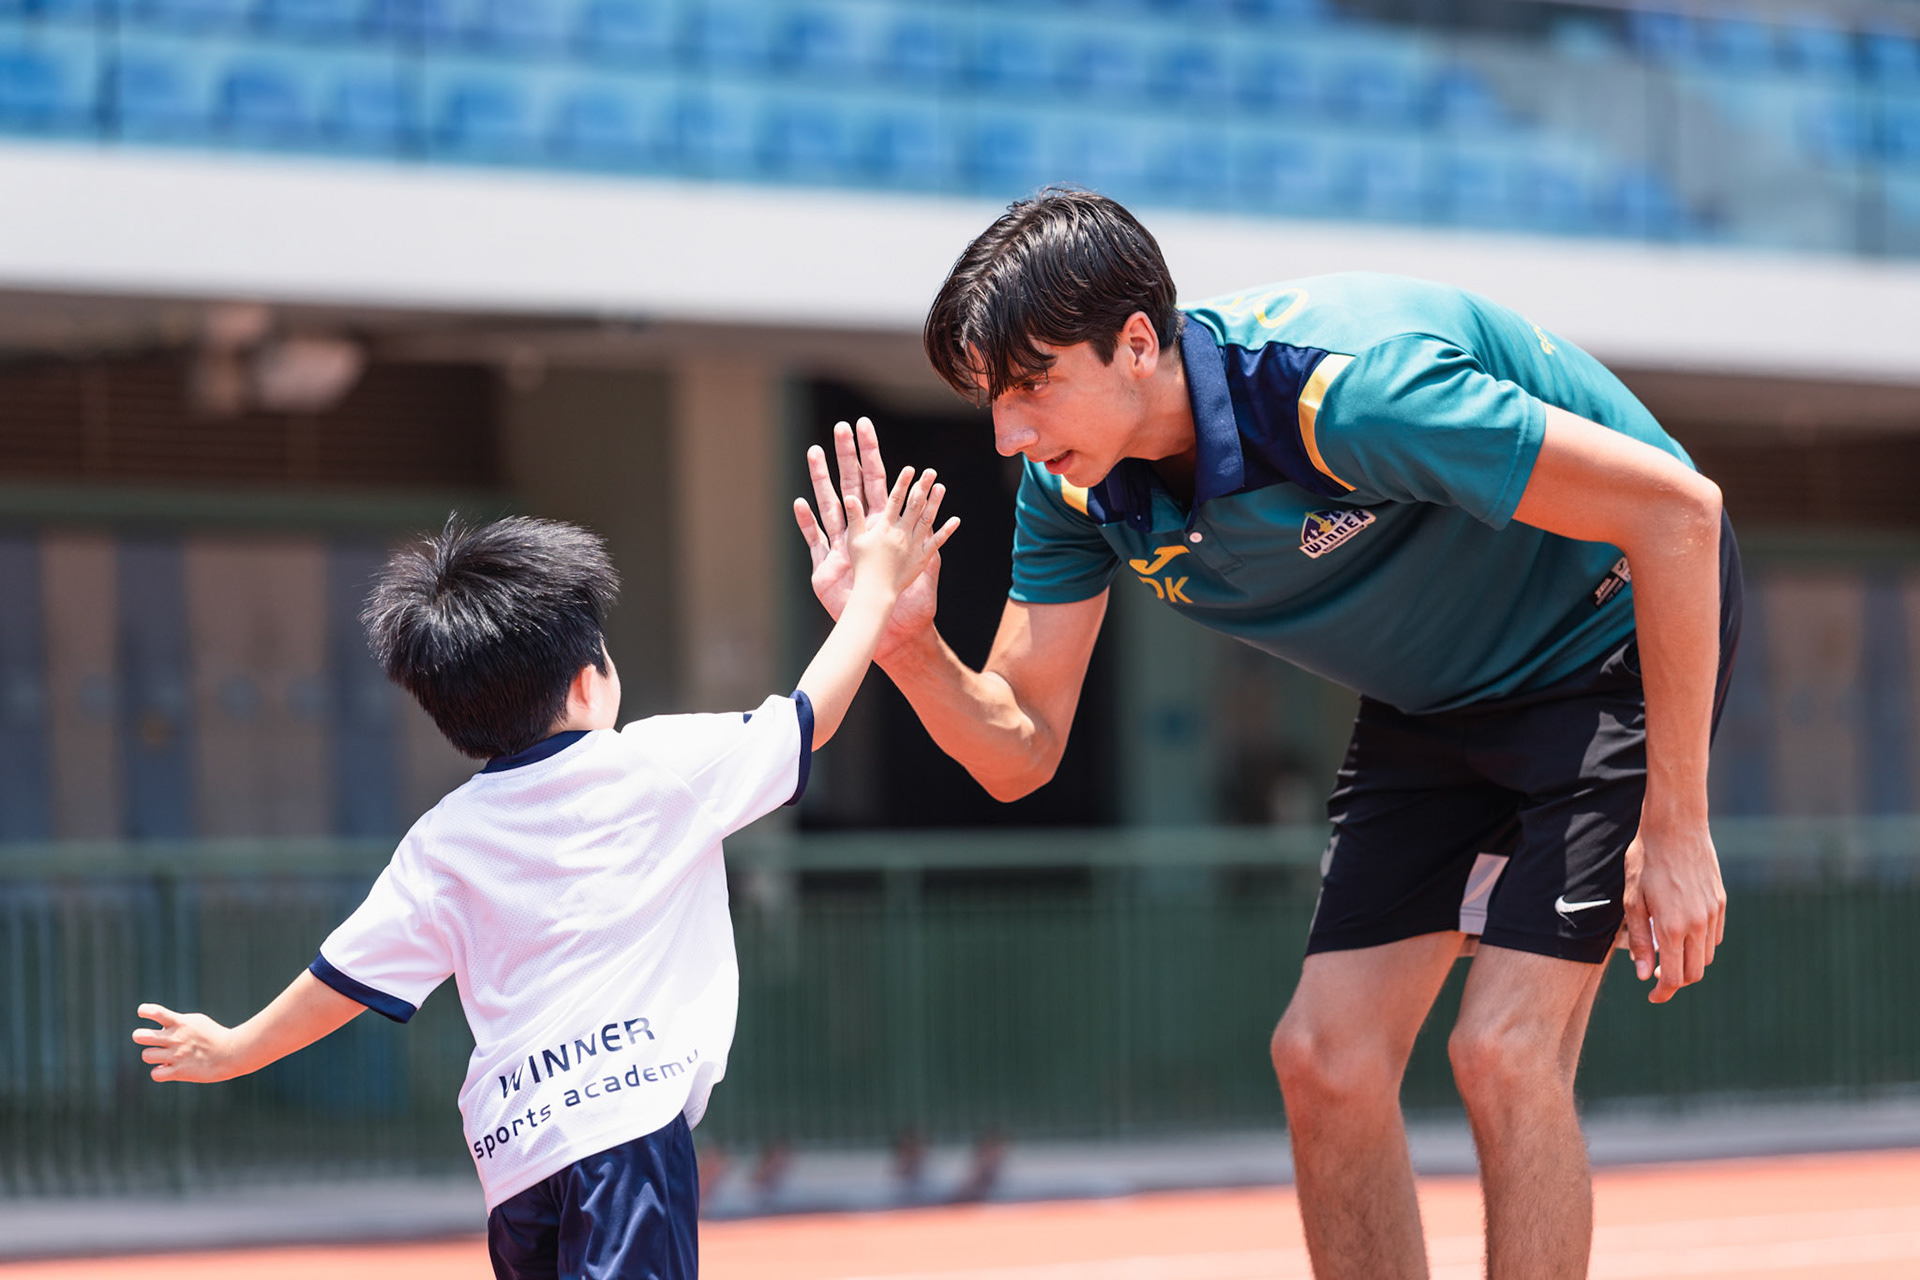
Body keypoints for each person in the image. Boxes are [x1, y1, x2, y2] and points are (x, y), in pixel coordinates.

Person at [793, 189, 1740, 1280]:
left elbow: (1682, 513)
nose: (1009, 433)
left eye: (1031, 385)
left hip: (1601, 645)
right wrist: (908, 647)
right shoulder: (1070, 487)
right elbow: (1023, 744)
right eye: (991, 400)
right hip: (1430, 701)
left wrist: (1676, 823)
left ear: (1137, 344)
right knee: (1324, 1059)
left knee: (1503, 1051)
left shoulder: (1348, 392)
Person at [132, 482, 957, 1280]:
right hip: (625, 1130)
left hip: (515, 1159)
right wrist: (873, 593)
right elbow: (810, 715)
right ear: (588, 677)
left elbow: (341, 978)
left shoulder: (442, 840)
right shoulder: (654, 765)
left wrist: (235, 1047)